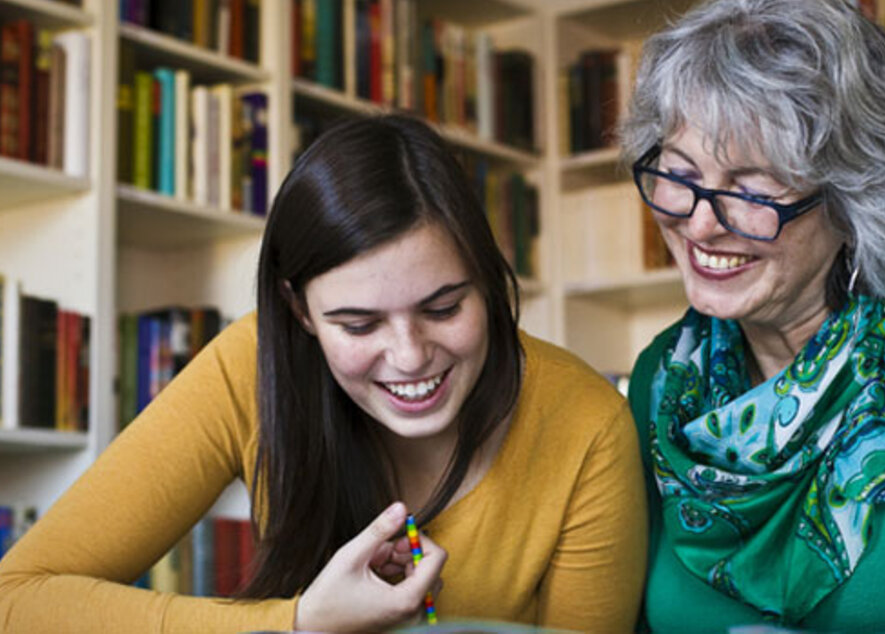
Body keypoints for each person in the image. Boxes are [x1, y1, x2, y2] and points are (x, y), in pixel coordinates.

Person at [0, 114, 646, 633]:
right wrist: (301, 624)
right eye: (359, 325)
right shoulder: (250, 365)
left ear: (486, 279)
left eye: (444, 307)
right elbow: (17, 600)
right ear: (299, 312)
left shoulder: (586, 423)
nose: (410, 355)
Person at [622, 0, 885, 633]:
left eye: (752, 188)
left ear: (860, 200)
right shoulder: (662, 380)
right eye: (679, 176)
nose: (701, 226)